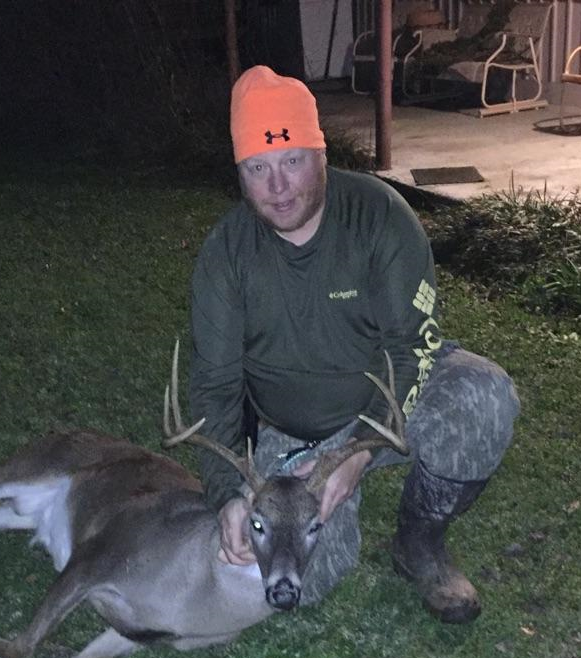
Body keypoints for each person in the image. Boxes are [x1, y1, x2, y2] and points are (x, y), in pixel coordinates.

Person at [188, 65, 519, 624]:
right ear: (240, 174)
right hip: (295, 436)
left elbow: (411, 345)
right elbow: (215, 385)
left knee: (483, 397)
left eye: (291, 160)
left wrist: (362, 448)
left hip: (386, 404)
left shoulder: (381, 216)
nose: (278, 186)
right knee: (294, 582)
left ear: (320, 154)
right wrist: (225, 495)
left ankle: (421, 545)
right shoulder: (226, 253)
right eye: (258, 168)